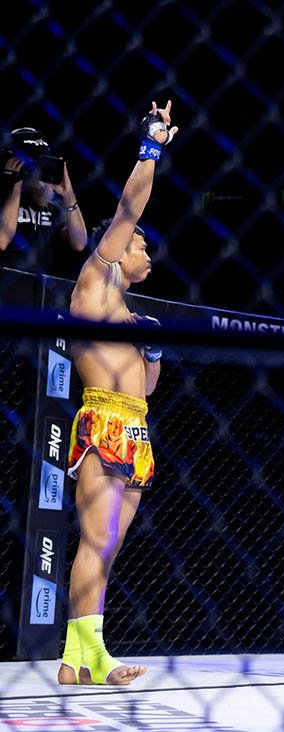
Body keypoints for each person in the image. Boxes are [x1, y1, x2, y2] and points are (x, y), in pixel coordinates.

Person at [57, 101, 177, 686]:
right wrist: (151, 147)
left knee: (109, 547)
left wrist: (153, 355)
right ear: (117, 247)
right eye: (140, 246)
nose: (146, 253)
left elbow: (148, 389)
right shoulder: (95, 283)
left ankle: (81, 658)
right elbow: (132, 206)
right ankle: (86, 657)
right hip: (102, 421)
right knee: (96, 538)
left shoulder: (131, 316)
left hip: (135, 427)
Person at [0, 127, 87, 276]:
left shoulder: (52, 207)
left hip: (40, 287)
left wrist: (69, 195)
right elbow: (2, 240)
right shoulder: (4, 198)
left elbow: (79, 243)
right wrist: (16, 185)